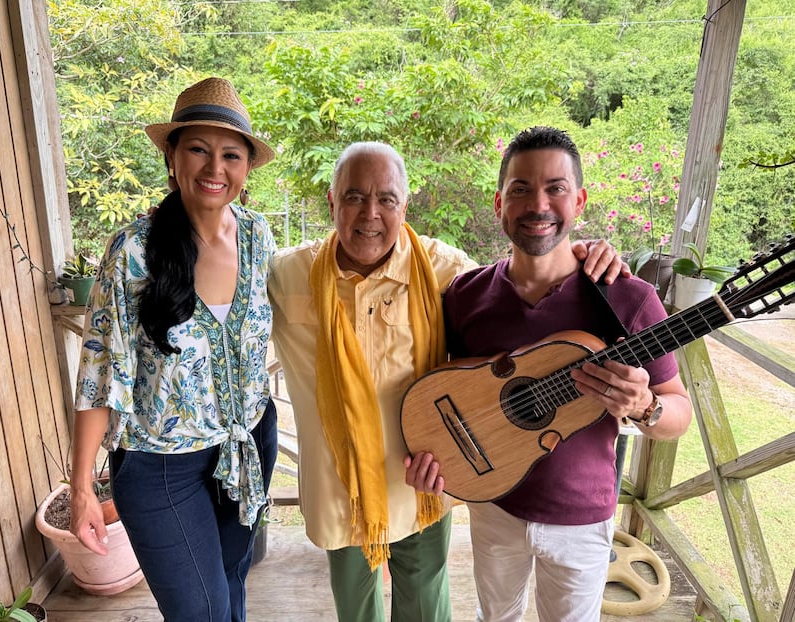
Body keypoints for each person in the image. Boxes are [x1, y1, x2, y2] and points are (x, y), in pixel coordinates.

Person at [268, 141, 627, 622]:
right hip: (341, 486)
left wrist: (582, 256)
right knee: (354, 610)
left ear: (404, 206)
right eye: (354, 197)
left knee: (425, 607)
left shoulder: (446, 271)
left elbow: (517, 296)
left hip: (425, 479)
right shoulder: (287, 274)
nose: (370, 214)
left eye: (386, 199)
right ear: (332, 201)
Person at [406, 126, 692, 622]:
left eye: (555, 188)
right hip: (493, 504)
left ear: (578, 201)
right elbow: (446, 389)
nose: (538, 205)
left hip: (582, 518)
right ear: (500, 203)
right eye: (521, 189)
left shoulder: (629, 298)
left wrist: (645, 407)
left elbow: (679, 413)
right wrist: (431, 456)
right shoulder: (465, 296)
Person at [69, 77, 278, 622]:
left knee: (232, 584)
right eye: (198, 149)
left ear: (247, 168)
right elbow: (99, 371)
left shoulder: (258, 238)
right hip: (162, 465)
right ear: (172, 156)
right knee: (200, 611)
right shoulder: (133, 251)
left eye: (231, 155)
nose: (215, 168)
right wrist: (82, 488)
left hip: (248, 443)